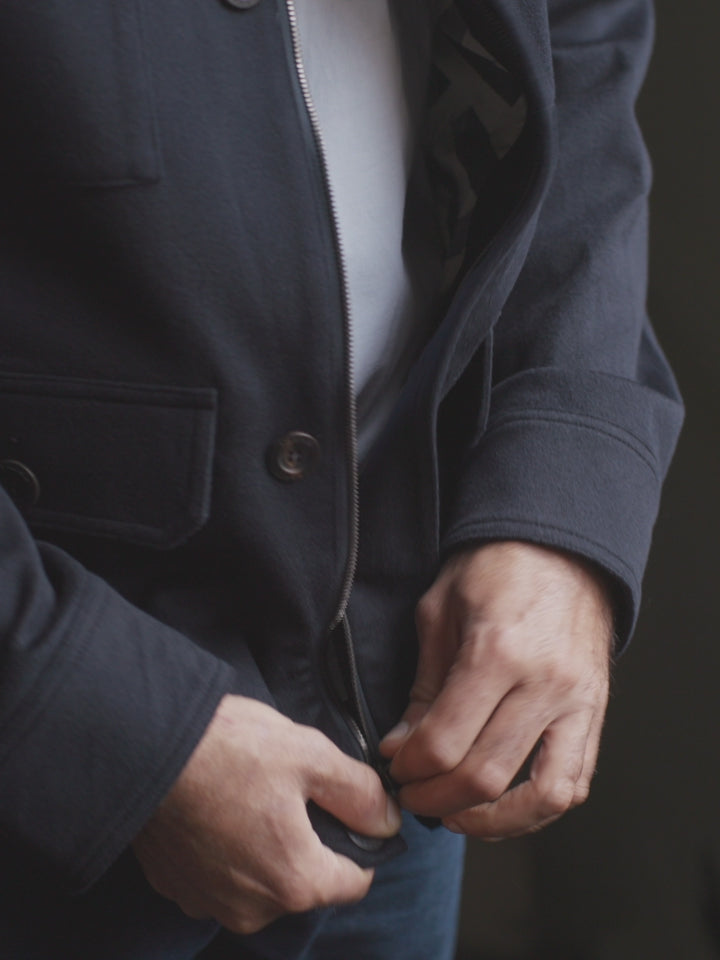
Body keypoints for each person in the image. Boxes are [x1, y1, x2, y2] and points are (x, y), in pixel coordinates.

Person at [0, 0, 683, 957]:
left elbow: (577, 45)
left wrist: (558, 504)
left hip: (400, 707)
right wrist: (103, 720)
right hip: (55, 790)